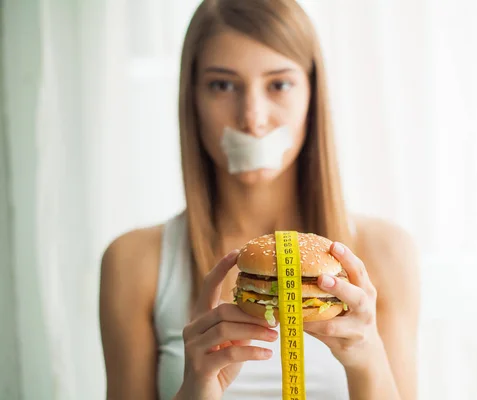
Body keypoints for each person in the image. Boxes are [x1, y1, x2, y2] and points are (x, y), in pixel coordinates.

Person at [99, 0, 420, 399]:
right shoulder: (134, 261)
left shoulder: (386, 252)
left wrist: (367, 357)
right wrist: (197, 389)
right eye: (223, 85)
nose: (252, 117)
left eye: (279, 84)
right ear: (192, 99)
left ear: (311, 97)